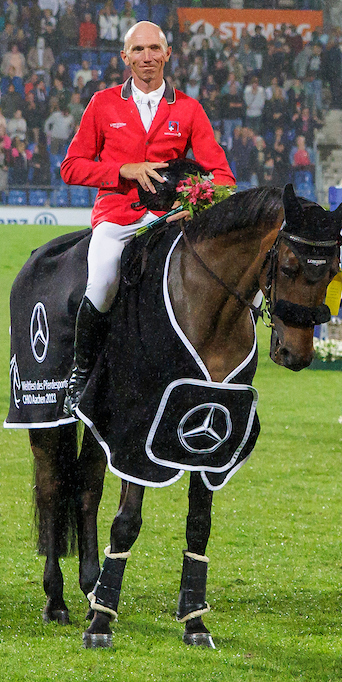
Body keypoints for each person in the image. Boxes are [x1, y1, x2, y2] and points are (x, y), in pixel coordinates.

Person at [55, 20, 233, 412]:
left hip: (170, 222)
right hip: (117, 218)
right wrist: (122, 170)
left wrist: (192, 203)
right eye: (138, 50)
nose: (147, 57)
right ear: (125, 57)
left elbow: (223, 177)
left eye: (154, 48)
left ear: (168, 54)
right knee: (101, 282)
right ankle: (80, 376)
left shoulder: (188, 109)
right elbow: (71, 167)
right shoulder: (102, 104)